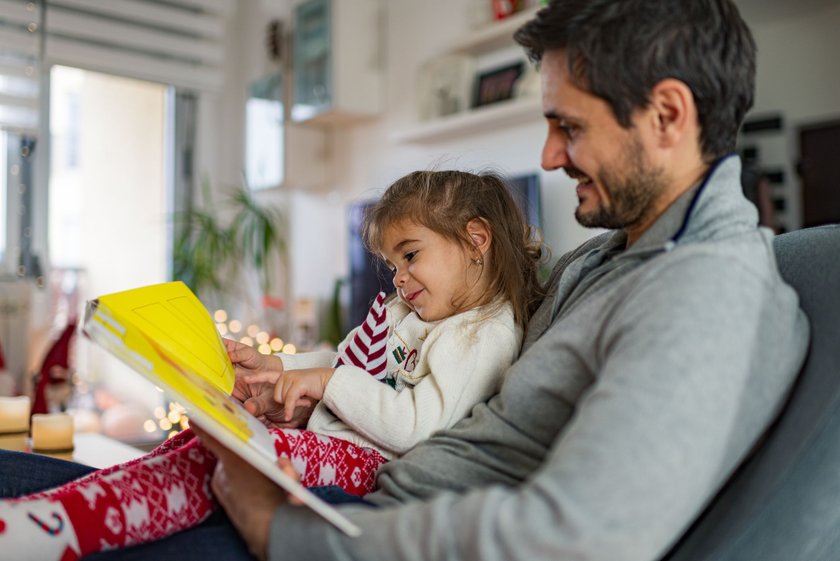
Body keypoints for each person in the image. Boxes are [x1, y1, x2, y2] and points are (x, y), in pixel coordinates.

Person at [0, 1, 810, 560]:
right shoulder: (614, 257)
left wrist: (287, 533)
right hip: (356, 493)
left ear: (668, 116)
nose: (549, 157)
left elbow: (571, 540)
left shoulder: (707, 293)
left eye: (570, 126)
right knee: (49, 485)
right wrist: (312, 389)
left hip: (357, 527)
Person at [0, 170, 544, 561]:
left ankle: (60, 524)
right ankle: (61, 509)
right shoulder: (413, 312)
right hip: (331, 443)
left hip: (363, 465)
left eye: (410, 254)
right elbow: (349, 360)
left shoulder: (482, 333)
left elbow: (417, 426)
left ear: (476, 240)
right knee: (204, 441)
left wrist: (328, 382)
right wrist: (279, 368)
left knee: (222, 465)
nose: (398, 277)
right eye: (392, 263)